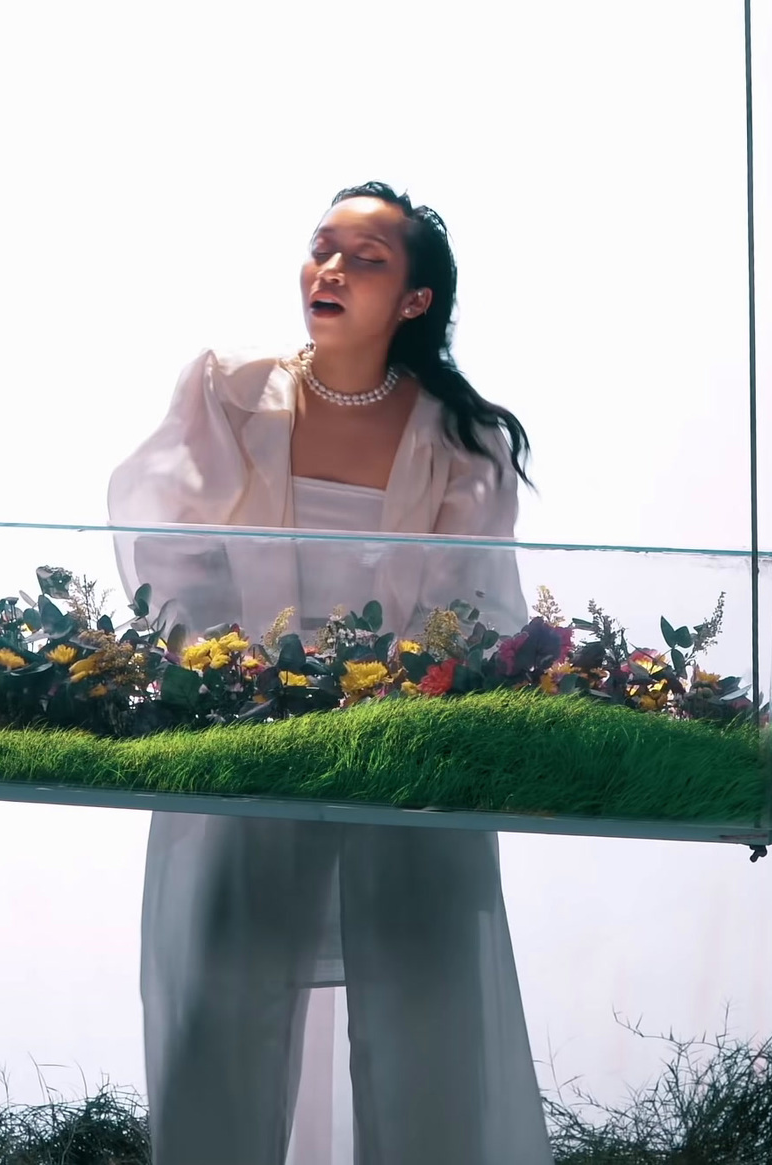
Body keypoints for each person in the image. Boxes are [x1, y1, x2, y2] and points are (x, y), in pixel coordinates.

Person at [107, 183, 551, 1165]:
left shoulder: (464, 440)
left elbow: (476, 606)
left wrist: (393, 702)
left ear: (414, 302)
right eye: (321, 250)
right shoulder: (230, 392)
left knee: (426, 1020)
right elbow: (167, 548)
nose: (332, 271)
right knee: (219, 1016)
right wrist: (236, 681)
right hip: (244, 753)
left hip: (402, 762)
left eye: (366, 259)